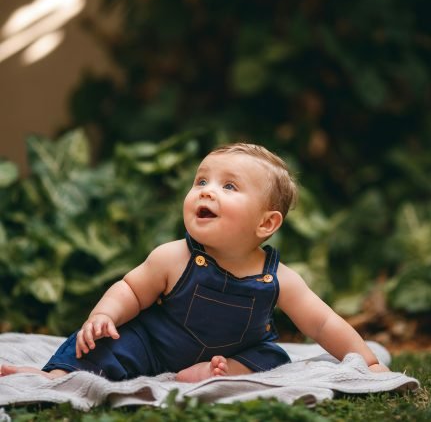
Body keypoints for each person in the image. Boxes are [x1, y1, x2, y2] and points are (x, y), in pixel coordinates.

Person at [0, 143, 389, 383]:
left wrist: (366, 361)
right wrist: (104, 316)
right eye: (201, 181)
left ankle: (218, 372)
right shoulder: (174, 257)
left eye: (229, 186)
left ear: (266, 223)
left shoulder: (279, 278)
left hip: (237, 348)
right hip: (155, 346)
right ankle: (53, 376)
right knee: (103, 346)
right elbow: (131, 289)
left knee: (271, 356)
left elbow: (322, 323)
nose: (207, 191)